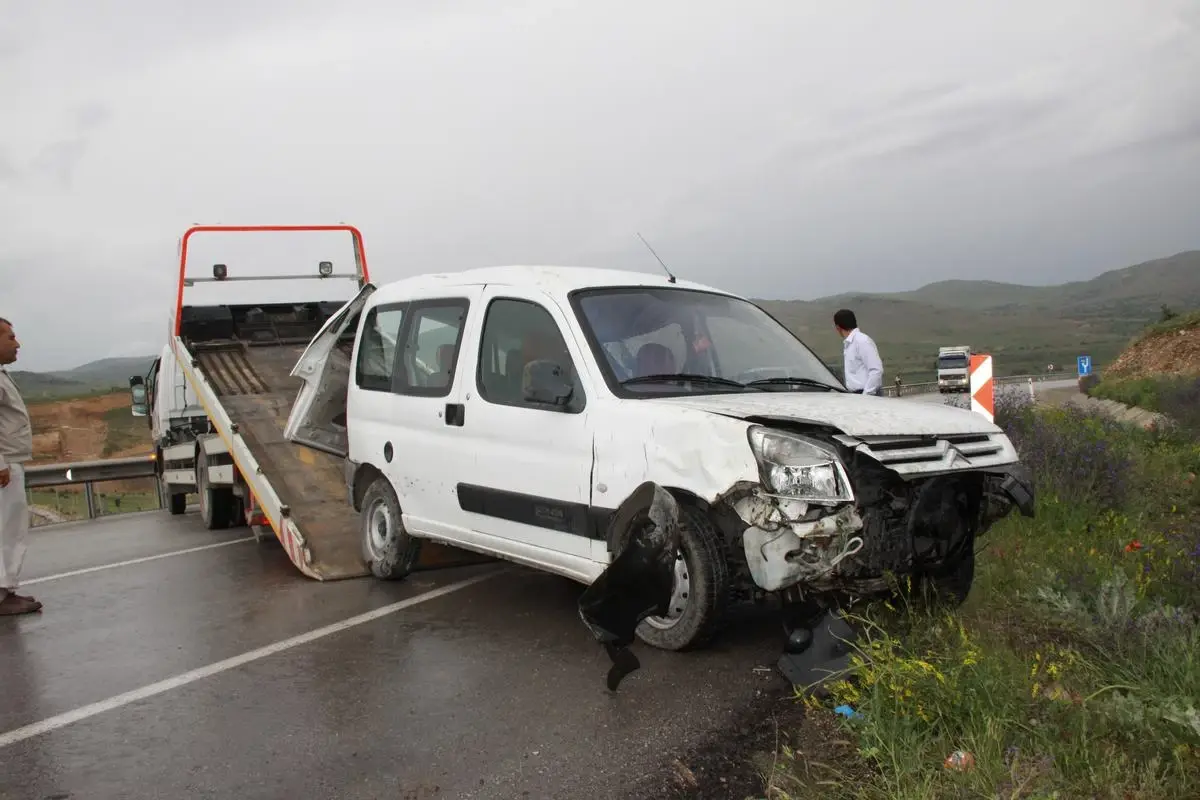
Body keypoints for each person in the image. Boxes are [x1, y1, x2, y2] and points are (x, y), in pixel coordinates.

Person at [0, 317, 40, 615]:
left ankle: (7, 590)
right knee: (6, 530)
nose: (17, 343)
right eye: (10, 337)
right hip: (4, 465)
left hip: (9, 463)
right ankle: (2, 594)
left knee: (12, 529)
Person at [833, 308, 884, 396]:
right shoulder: (849, 343)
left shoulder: (862, 341)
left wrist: (866, 395)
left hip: (868, 394)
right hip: (855, 395)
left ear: (838, 327)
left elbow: (876, 370)